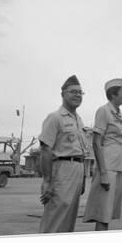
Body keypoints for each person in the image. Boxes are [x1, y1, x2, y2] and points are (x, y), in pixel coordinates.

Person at [83, 78, 122, 231]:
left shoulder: (118, 113)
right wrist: (103, 173)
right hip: (107, 166)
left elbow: (120, 139)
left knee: (108, 213)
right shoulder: (104, 111)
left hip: (117, 166)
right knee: (103, 213)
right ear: (114, 94)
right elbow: (96, 142)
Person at [38, 75, 89, 233]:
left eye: (80, 93)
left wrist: (83, 178)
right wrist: (47, 181)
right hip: (62, 171)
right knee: (55, 217)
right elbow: (45, 150)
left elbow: (81, 152)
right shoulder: (55, 118)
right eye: (73, 92)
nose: (77, 95)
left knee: (68, 220)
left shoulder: (78, 120)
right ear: (63, 94)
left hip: (77, 171)